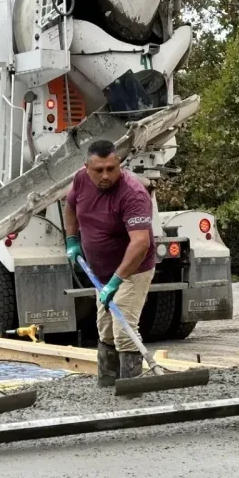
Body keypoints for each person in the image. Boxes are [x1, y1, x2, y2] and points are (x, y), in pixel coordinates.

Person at [63, 139, 156, 388]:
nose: (105, 175)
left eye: (111, 169)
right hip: (100, 272)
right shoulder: (81, 179)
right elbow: (70, 205)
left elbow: (141, 243)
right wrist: (72, 239)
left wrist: (116, 281)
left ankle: (131, 391)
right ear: (87, 167)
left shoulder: (133, 194)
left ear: (119, 164)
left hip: (132, 270)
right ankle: (107, 386)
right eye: (99, 170)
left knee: (124, 331)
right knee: (105, 329)